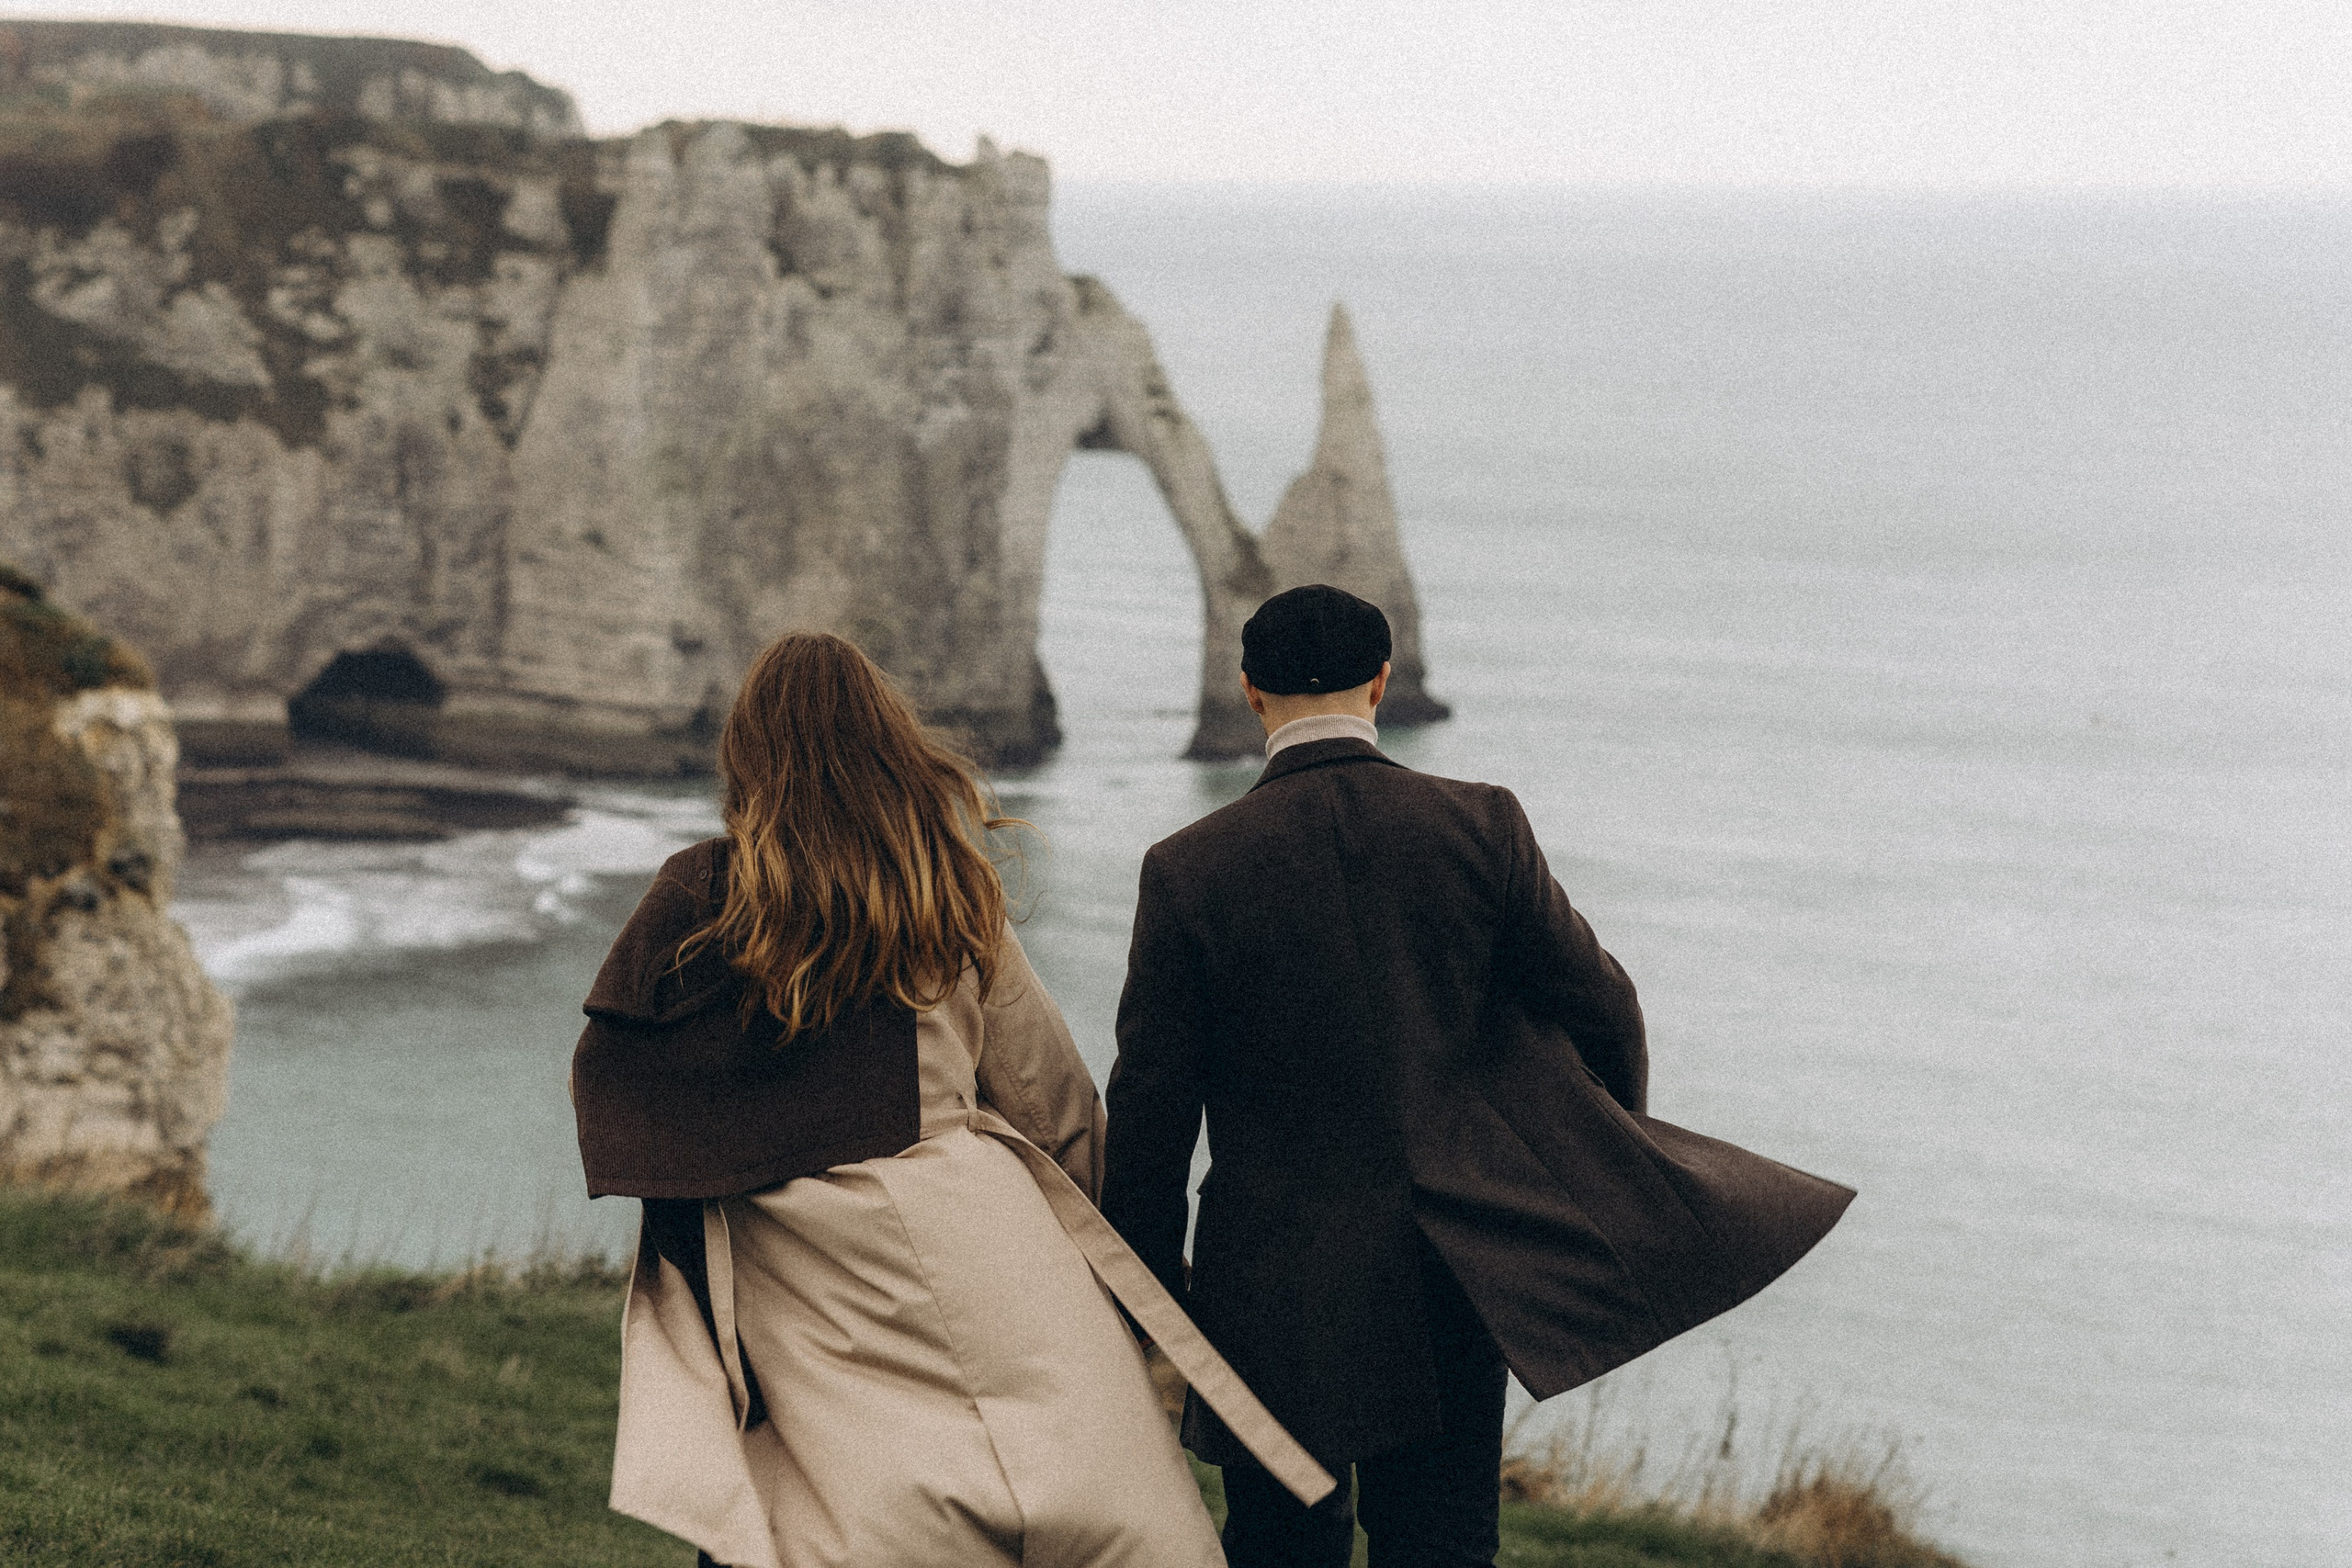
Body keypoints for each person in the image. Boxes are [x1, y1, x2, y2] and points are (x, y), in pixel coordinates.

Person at [1100, 584, 1856, 1568]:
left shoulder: (1187, 867)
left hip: (1268, 1282)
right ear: (1379, 684)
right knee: (1443, 1542)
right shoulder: (1480, 827)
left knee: (1282, 1546)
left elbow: (1151, 1105)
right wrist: (1573, 1173)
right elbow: (1603, 1010)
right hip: (1450, 1264)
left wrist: (1148, 1297)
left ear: (1248, 692)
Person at [571, 631, 1332, 1568]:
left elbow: (629, 1075)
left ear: (748, 754)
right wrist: (1101, 1254)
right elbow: (1048, 1096)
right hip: (981, 1223)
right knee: (1090, 1490)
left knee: (841, 1502)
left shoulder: (705, 897)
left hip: (802, 1252)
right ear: (888, 743)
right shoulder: (942, 881)